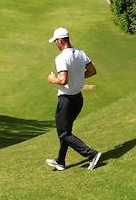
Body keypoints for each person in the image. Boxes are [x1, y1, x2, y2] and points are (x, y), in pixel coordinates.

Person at [44, 27, 102, 171]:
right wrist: (78, 78)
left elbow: (63, 80)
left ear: (61, 40)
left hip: (66, 100)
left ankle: (92, 154)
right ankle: (60, 161)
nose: (55, 44)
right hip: (78, 99)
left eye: (56, 41)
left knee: (63, 133)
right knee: (66, 131)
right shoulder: (80, 53)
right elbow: (92, 71)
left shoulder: (61, 58)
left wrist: (52, 79)